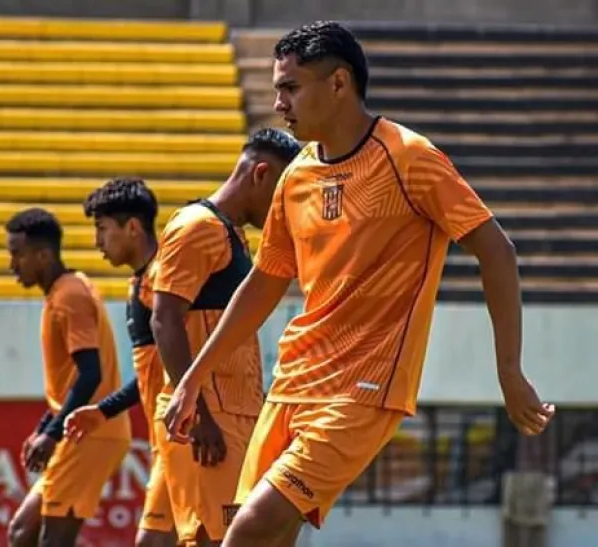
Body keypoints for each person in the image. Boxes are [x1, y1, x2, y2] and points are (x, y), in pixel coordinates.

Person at [161, 21, 556, 547]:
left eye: (290, 87)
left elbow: (497, 251)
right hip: (292, 383)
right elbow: (263, 283)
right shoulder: (296, 176)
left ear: (339, 83)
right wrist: (192, 379)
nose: (278, 103)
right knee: (253, 532)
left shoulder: (409, 158)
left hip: (363, 391)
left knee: (249, 531)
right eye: (277, 89)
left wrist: (509, 371)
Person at [148, 128, 301, 547]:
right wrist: (198, 415)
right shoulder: (197, 227)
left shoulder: (231, 233)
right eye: (284, 193)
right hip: (208, 417)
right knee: (217, 538)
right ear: (262, 174)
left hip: (233, 415)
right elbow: (164, 319)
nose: (285, 207)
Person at [3, 207, 132, 547]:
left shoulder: (69, 296)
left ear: (43, 256)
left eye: (18, 254)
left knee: (54, 539)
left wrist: (51, 433)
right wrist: (45, 427)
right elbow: (73, 380)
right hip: (80, 430)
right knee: (22, 533)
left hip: (90, 432)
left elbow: (90, 375)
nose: (11, 265)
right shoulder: (67, 290)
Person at [65, 177, 176, 547]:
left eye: (102, 229)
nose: (97, 241)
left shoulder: (163, 280)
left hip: (184, 436)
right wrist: (104, 410)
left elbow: (187, 358)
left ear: (132, 228)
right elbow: (154, 370)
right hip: (168, 438)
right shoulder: (141, 282)